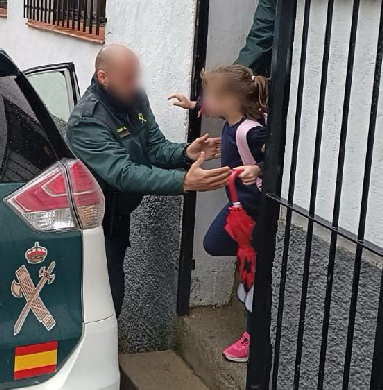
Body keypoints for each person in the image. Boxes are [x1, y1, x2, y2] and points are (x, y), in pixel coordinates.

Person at [65, 45, 231, 315]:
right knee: (101, 297)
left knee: (113, 293)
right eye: (127, 79)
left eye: (136, 77)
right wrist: (185, 181)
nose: (134, 85)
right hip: (92, 223)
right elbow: (123, 173)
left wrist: (186, 152)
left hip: (119, 217)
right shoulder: (86, 121)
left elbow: (155, 147)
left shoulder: (136, 99)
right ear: (103, 77)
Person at [186, 64, 268, 363]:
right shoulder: (230, 122)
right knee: (215, 243)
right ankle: (255, 257)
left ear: (231, 101)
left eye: (210, 96)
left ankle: (253, 338)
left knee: (251, 275)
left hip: (254, 211)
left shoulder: (252, 131)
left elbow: (280, 155)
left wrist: (259, 168)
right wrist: (192, 104)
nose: (205, 101)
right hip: (238, 208)